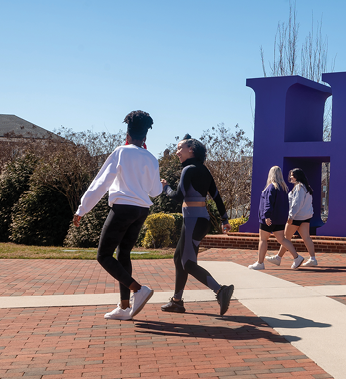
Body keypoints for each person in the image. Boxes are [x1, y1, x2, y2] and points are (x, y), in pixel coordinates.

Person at [73, 110, 161, 321]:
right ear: (145, 137)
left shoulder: (121, 152)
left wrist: (82, 209)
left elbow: (101, 182)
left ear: (127, 135)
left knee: (103, 255)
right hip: (142, 210)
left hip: (123, 208)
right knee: (123, 254)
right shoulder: (151, 157)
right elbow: (155, 191)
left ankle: (138, 290)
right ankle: (124, 308)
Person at [159, 135, 235, 315]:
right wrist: (225, 219)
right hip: (201, 220)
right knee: (179, 259)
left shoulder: (188, 170)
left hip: (193, 221)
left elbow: (178, 196)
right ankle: (177, 301)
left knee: (187, 263)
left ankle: (220, 290)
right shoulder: (204, 170)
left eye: (180, 148)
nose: (177, 152)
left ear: (191, 150)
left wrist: (165, 188)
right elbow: (216, 197)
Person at [248, 166, 299, 270]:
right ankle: (297, 257)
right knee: (282, 239)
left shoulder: (271, 187)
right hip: (279, 219)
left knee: (263, 239)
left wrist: (266, 215)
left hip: (269, 219)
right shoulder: (284, 188)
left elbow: (267, 202)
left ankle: (260, 263)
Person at [266, 168, 318, 268]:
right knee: (306, 237)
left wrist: (291, 216)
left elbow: (296, 204)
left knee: (286, 238)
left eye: (292, 175)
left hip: (296, 217)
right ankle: (312, 259)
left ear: (297, 176)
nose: (290, 177)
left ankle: (282, 258)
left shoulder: (299, 188)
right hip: (305, 217)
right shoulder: (306, 187)